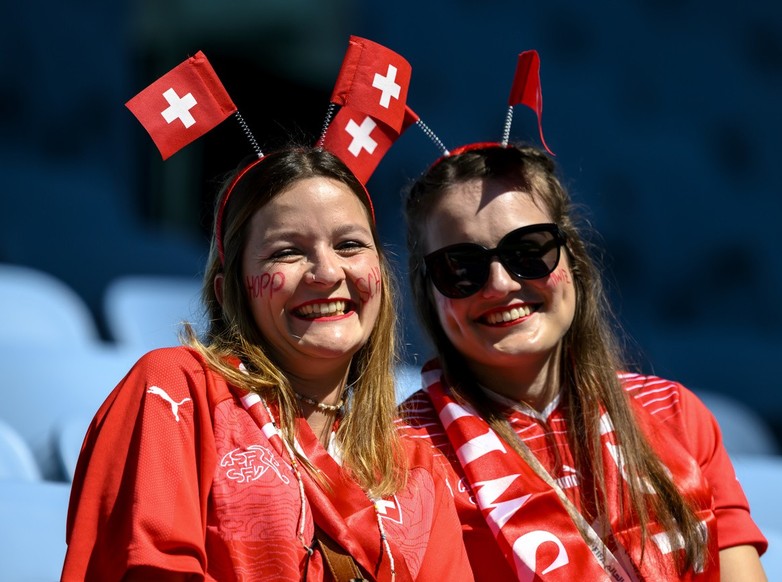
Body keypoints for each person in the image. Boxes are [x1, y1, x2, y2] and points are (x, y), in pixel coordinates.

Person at [62, 147, 474, 581]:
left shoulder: (413, 465)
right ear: (230, 292)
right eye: (287, 252)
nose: (327, 272)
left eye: (349, 245)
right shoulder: (176, 391)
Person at [398, 143, 768, 581]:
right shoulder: (399, 454)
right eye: (460, 267)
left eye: (528, 251)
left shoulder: (675, 413)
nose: (499, 284)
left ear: (571, 257)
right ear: (429, 292)